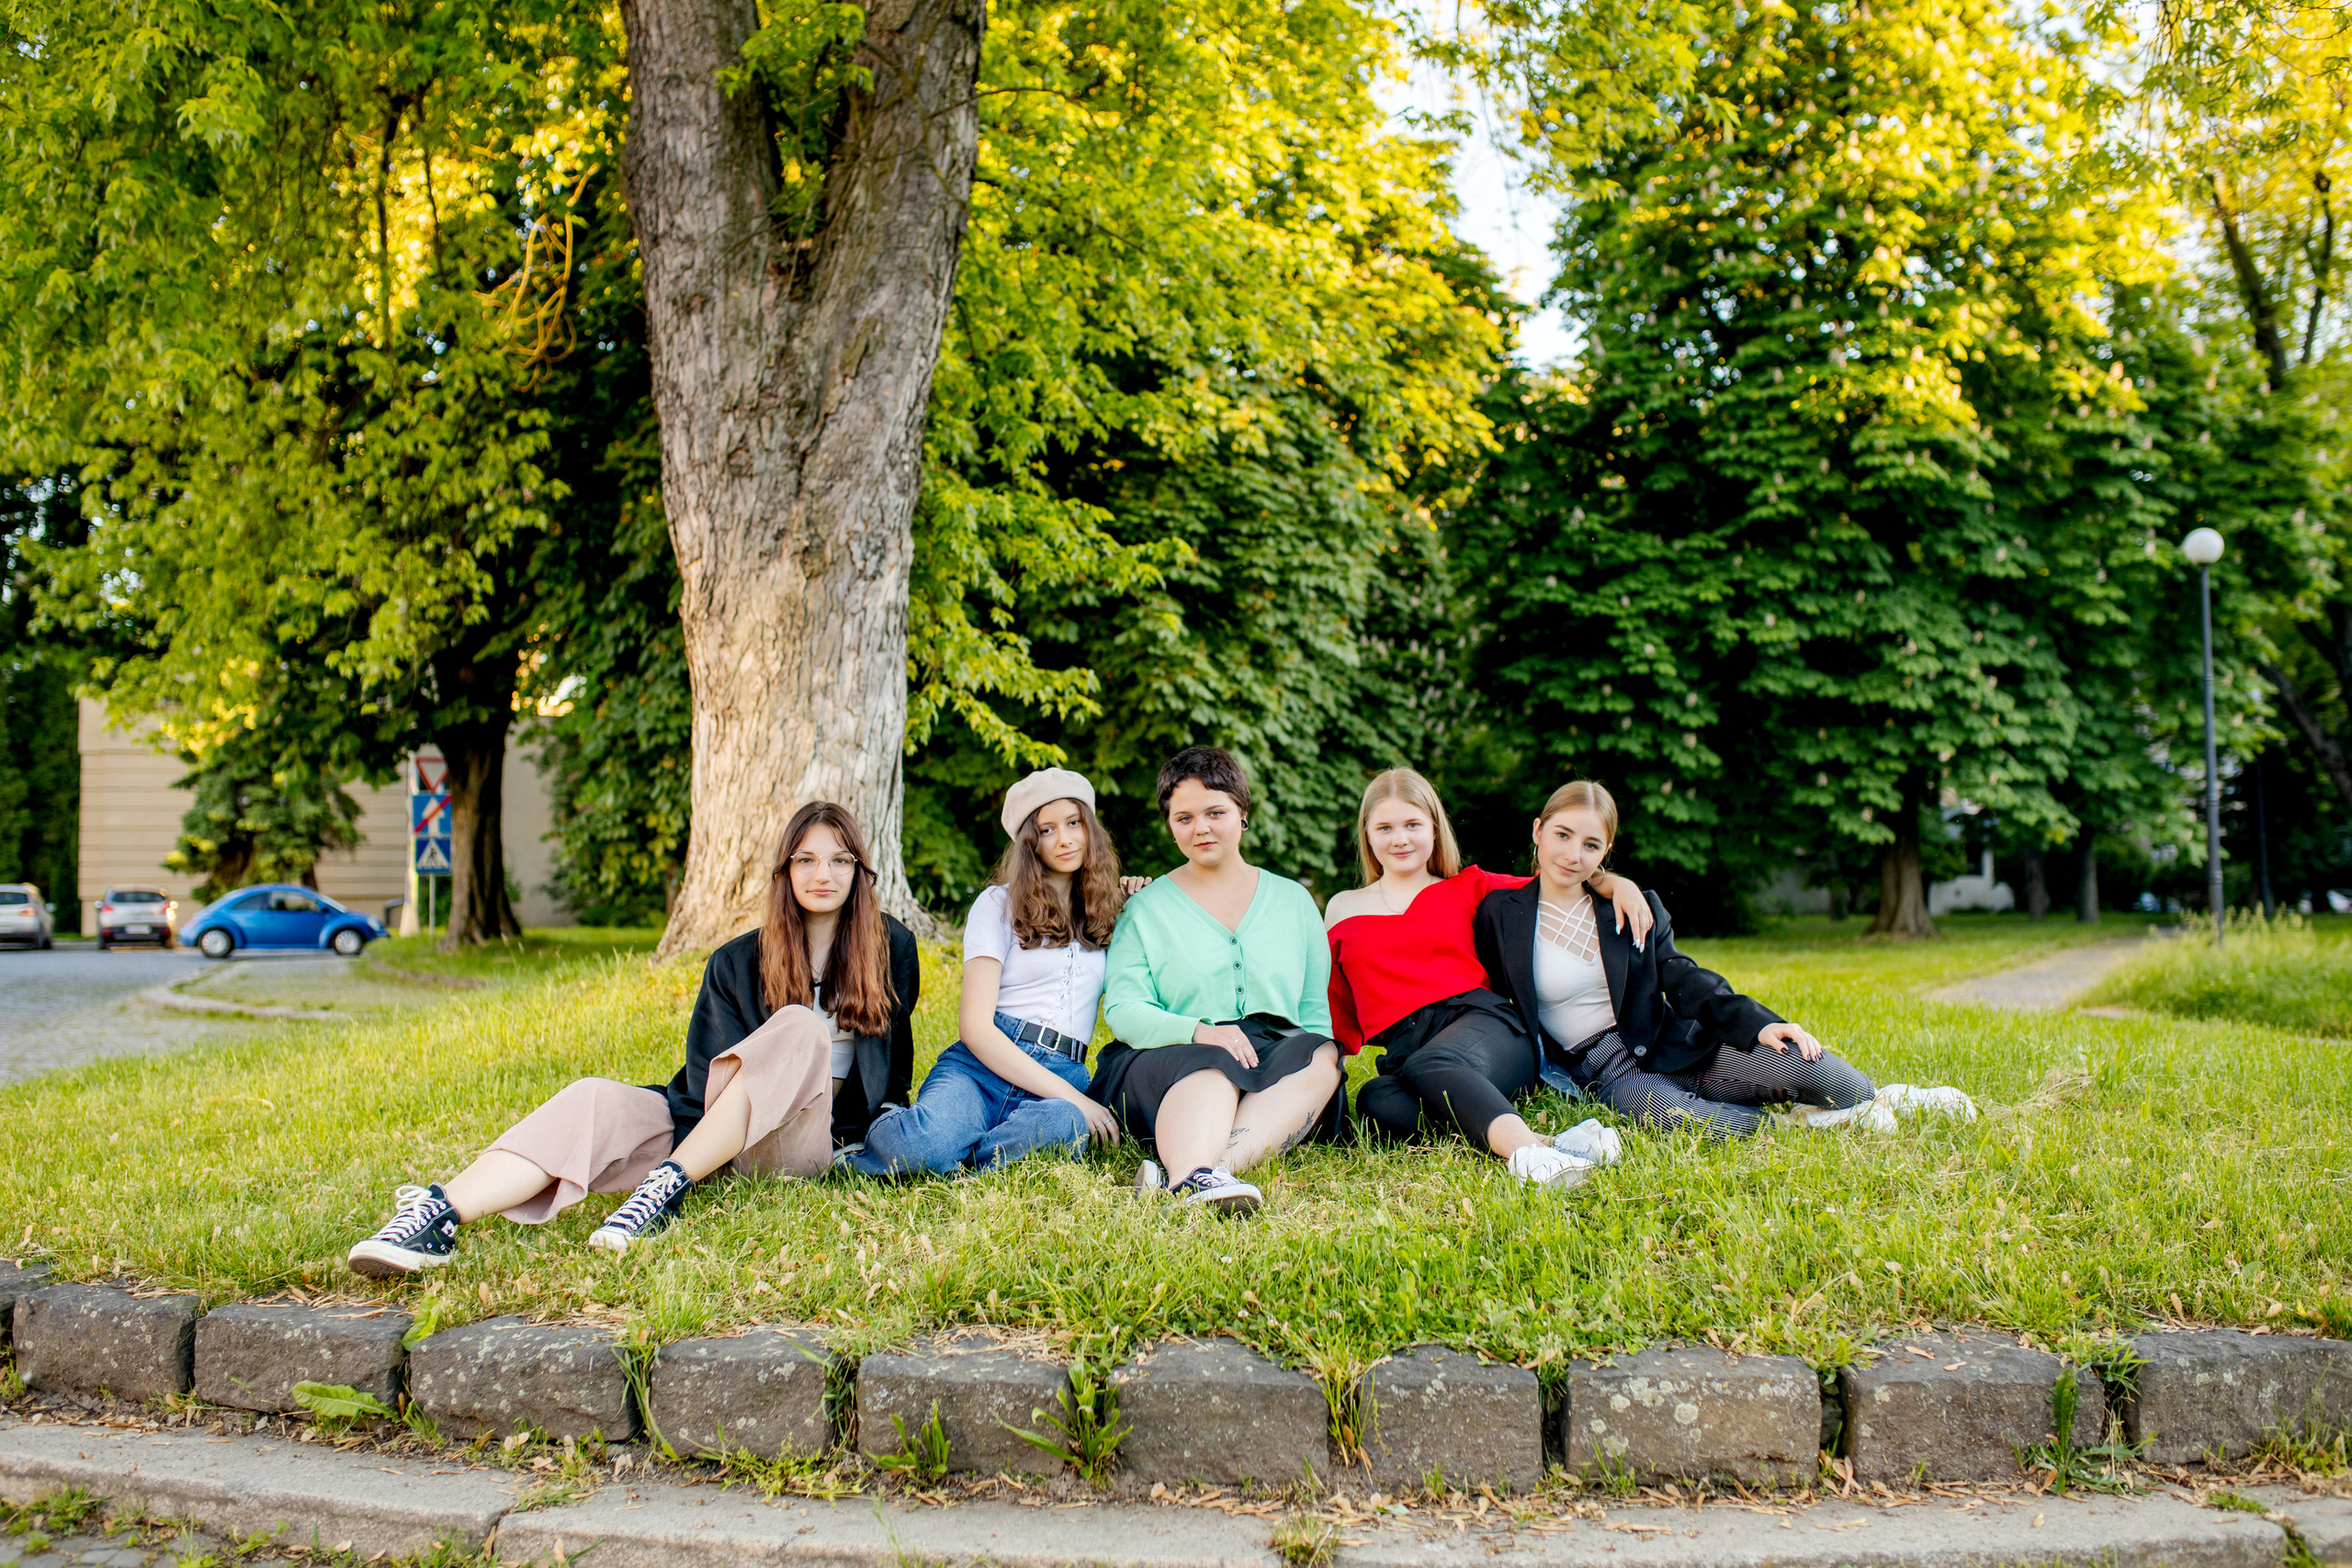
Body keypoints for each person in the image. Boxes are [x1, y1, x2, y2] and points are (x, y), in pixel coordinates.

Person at [345, 802, 920, 1274]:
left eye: (840, 861)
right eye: (808, 860)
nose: (824, 875)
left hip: (802, 1142)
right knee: (593, 1096)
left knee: (798, 1027)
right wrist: (674, 1139)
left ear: (859, 871)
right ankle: (437, 1216)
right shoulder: (735, 962)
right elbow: (704, 1082)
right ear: (785, 871)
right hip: (715, 1137)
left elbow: (891, 1073)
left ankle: (663, 1189)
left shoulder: (890, 949)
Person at [1473, 780, 1873, 1138]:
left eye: (1590, 845)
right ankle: (1792, 1125)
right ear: (1538, 831)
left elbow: (1680, 974)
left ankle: (1871, 1101)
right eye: (1562, 835)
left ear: (1605, 851)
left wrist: (1758, 1024)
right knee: (1679, 1118)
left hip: (1677, 1042)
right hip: (1610, 1071)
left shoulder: (1633, 907)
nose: (1573, 855)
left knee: (1844, 1084)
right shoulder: (1500, 914)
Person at [1329, 768, 1652, 1186]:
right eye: (1385, 827)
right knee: (1377, 1102)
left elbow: (1557, 881)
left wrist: (1615, 883)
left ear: (1434, 828)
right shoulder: (1342, 908)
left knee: (1433, 1063)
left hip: (1490, 1031)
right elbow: (1333, 1007)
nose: (1400, 838)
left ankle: (1530, 1157)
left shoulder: (1470, 885)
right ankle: (1558, 1143)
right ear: (1368, 834)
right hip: (1411, 1054)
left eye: (1413, 824)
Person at [1093, 746, 1344, 1216]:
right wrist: (1200, 1030)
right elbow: (1123, 1010)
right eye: (1184, 817)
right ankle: (1193, 1173)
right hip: (1167, 1056)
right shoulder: (1145, 910)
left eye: (1215, 812)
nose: (1201, 828)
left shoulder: (1293, 901)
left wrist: (1309, 1055)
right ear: (1170, 826)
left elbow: (1313, 1013)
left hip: (1271, 1057)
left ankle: (1200, 1174)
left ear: (1242, 813)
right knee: (1213, 1060)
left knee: (1323, 1054)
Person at [851, 769, 1128, 1176]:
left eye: (1073, 823)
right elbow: (976, 1029)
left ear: (1090, 828)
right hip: (982, 1067)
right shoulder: (998, 904)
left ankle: (959, 1159)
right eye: (1047, 830)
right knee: (921, 1146)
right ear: (1030, 844)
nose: (1065, 839)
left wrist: (1140, 896)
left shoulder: (1111, 912)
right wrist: (1080, 1099)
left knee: (1064, 1123)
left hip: (1063, 1069)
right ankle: (917, 1141)